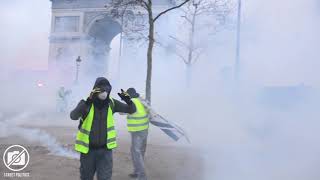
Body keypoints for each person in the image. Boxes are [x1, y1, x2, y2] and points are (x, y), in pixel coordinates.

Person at [70, 77, 136, 180]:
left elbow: (132, 110)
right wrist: (87, 102)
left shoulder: (111, 103)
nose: (104, 93)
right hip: (88, 151)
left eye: (106, 90)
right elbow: (73, 116)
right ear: (95, 90)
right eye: (101, 90)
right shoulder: (86, 103)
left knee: (105, 178)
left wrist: (129, 101)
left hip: (105, 152)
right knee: (86, 177)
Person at [126, 88, 149, 180]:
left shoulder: (131, 102)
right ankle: (137, 171)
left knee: (136, 152)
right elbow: (149, 111)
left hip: (136, 130)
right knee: (139, 151)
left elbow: (121, 112)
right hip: (144, 129)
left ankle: (142, 176)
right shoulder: (141, 100)